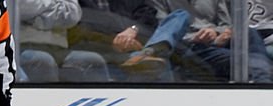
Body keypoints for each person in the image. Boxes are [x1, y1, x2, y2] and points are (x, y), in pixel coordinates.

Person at [121, 0, 273, 82]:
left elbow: (226, 23)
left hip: (217, 44)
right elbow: (163, 28)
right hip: (188, 47)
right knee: (181, 15)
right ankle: (262, 76)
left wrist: (218, 33)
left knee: (248, 32)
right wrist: (194, 38)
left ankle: (262, 78)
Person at [17, 0, 110, 82]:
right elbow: (21, 6)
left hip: (60, 48)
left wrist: (37, 19)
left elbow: (74, 14)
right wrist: (56, 5)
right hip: (23, 46)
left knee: (93, 61)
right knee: (43, 60)